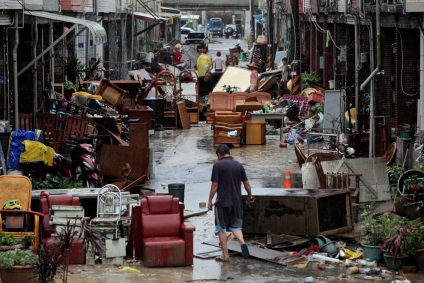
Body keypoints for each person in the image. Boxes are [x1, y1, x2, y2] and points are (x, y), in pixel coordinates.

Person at [208, 144, 254, 262]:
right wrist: (250, 195)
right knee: (236, 226)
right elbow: (246, 183)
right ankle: (242, 242)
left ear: (218, 155)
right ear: (229, 153)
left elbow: (215, 185)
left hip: (222, 202)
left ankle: (225, 255)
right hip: (236, 201)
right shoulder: (238, 165)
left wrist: (209, 201)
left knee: (221, 228)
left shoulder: (217, 165)